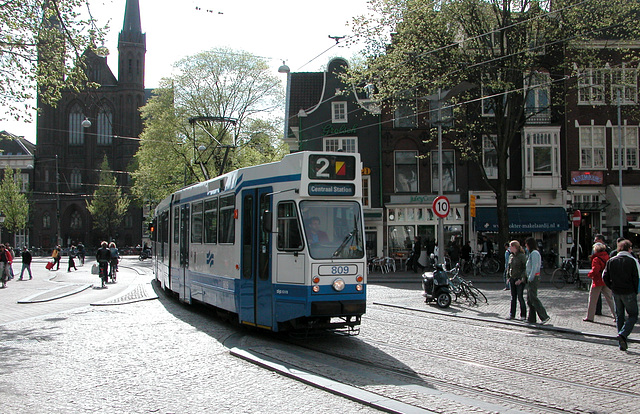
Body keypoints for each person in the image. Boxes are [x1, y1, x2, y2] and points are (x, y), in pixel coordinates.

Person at [603, 239, 639, 351]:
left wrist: (611, 287)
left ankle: (621, 341)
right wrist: (635, 290)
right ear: (629, 249)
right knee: (633, 315)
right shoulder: (632, 261)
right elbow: (637, 277)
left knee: (619, 316)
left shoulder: (611, 261)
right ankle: (623, 334)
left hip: (616, 292)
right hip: (628, 291)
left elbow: (605, 276)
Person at [584, 242, 615, 322]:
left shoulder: (596, 259)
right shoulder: (607, 257)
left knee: (593, 300)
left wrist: (590, 275)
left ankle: (590, 317)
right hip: (606, 280)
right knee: (610, 299)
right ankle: (616, 315)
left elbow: (595, 270)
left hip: (597, 281)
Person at [525, 237, 550, 324]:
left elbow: (534, 267)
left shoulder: (534, 253)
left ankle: (544, 316)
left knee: (533, 298)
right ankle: (531, 318)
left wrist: (530, 278)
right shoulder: (532, 253)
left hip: (534, 277)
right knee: (529, 299)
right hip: (532, 277)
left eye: (526, 244)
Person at [507, 240, 527, 320]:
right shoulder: (511, 256)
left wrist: (522, 279)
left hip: (519, 279)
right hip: (512, 278)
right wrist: (508, 277)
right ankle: (512, 314)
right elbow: (509, 267)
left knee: (520, 297)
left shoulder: (522, 256)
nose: (509, 248)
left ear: (515, 247)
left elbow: (525, 268)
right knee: (513, 297)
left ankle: (523, 315)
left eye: (510, 246)